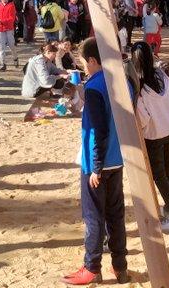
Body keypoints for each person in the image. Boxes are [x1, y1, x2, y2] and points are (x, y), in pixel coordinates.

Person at [62, 37, 130, 285]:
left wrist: (96, 167)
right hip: (118, 158)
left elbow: (98, 130)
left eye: (84, 63)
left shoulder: (95, 86)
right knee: (116, 215)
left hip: (97, 163)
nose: (84, 68)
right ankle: (120, 266)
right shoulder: (123, 81)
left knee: (93, 216)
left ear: (92, 60)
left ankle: (91, 267)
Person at [130, 41, 169, 233]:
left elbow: (143, 117)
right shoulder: (162, 75)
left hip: (155, 134)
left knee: (159, 175)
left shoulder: (140, 86)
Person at [0, 0, 18, 72]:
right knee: (1, 47)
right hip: (0, 29)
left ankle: (15, 58)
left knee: (12, 45)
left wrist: (2, 21)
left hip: (9, 28)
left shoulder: (11, 5)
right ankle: (3, 63)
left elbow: (12, 18)